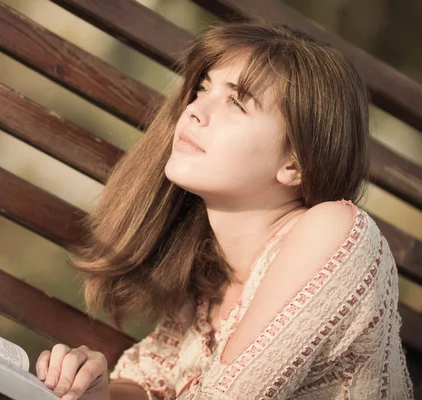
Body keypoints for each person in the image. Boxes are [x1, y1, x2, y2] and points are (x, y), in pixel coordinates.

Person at [35, 22, 414, 399]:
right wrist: (100, 392)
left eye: (236, 101)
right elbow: (152, 382)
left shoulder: (334, 232)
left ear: (295, 164)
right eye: (202, 89)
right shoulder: (211, 274)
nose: (195, 111)